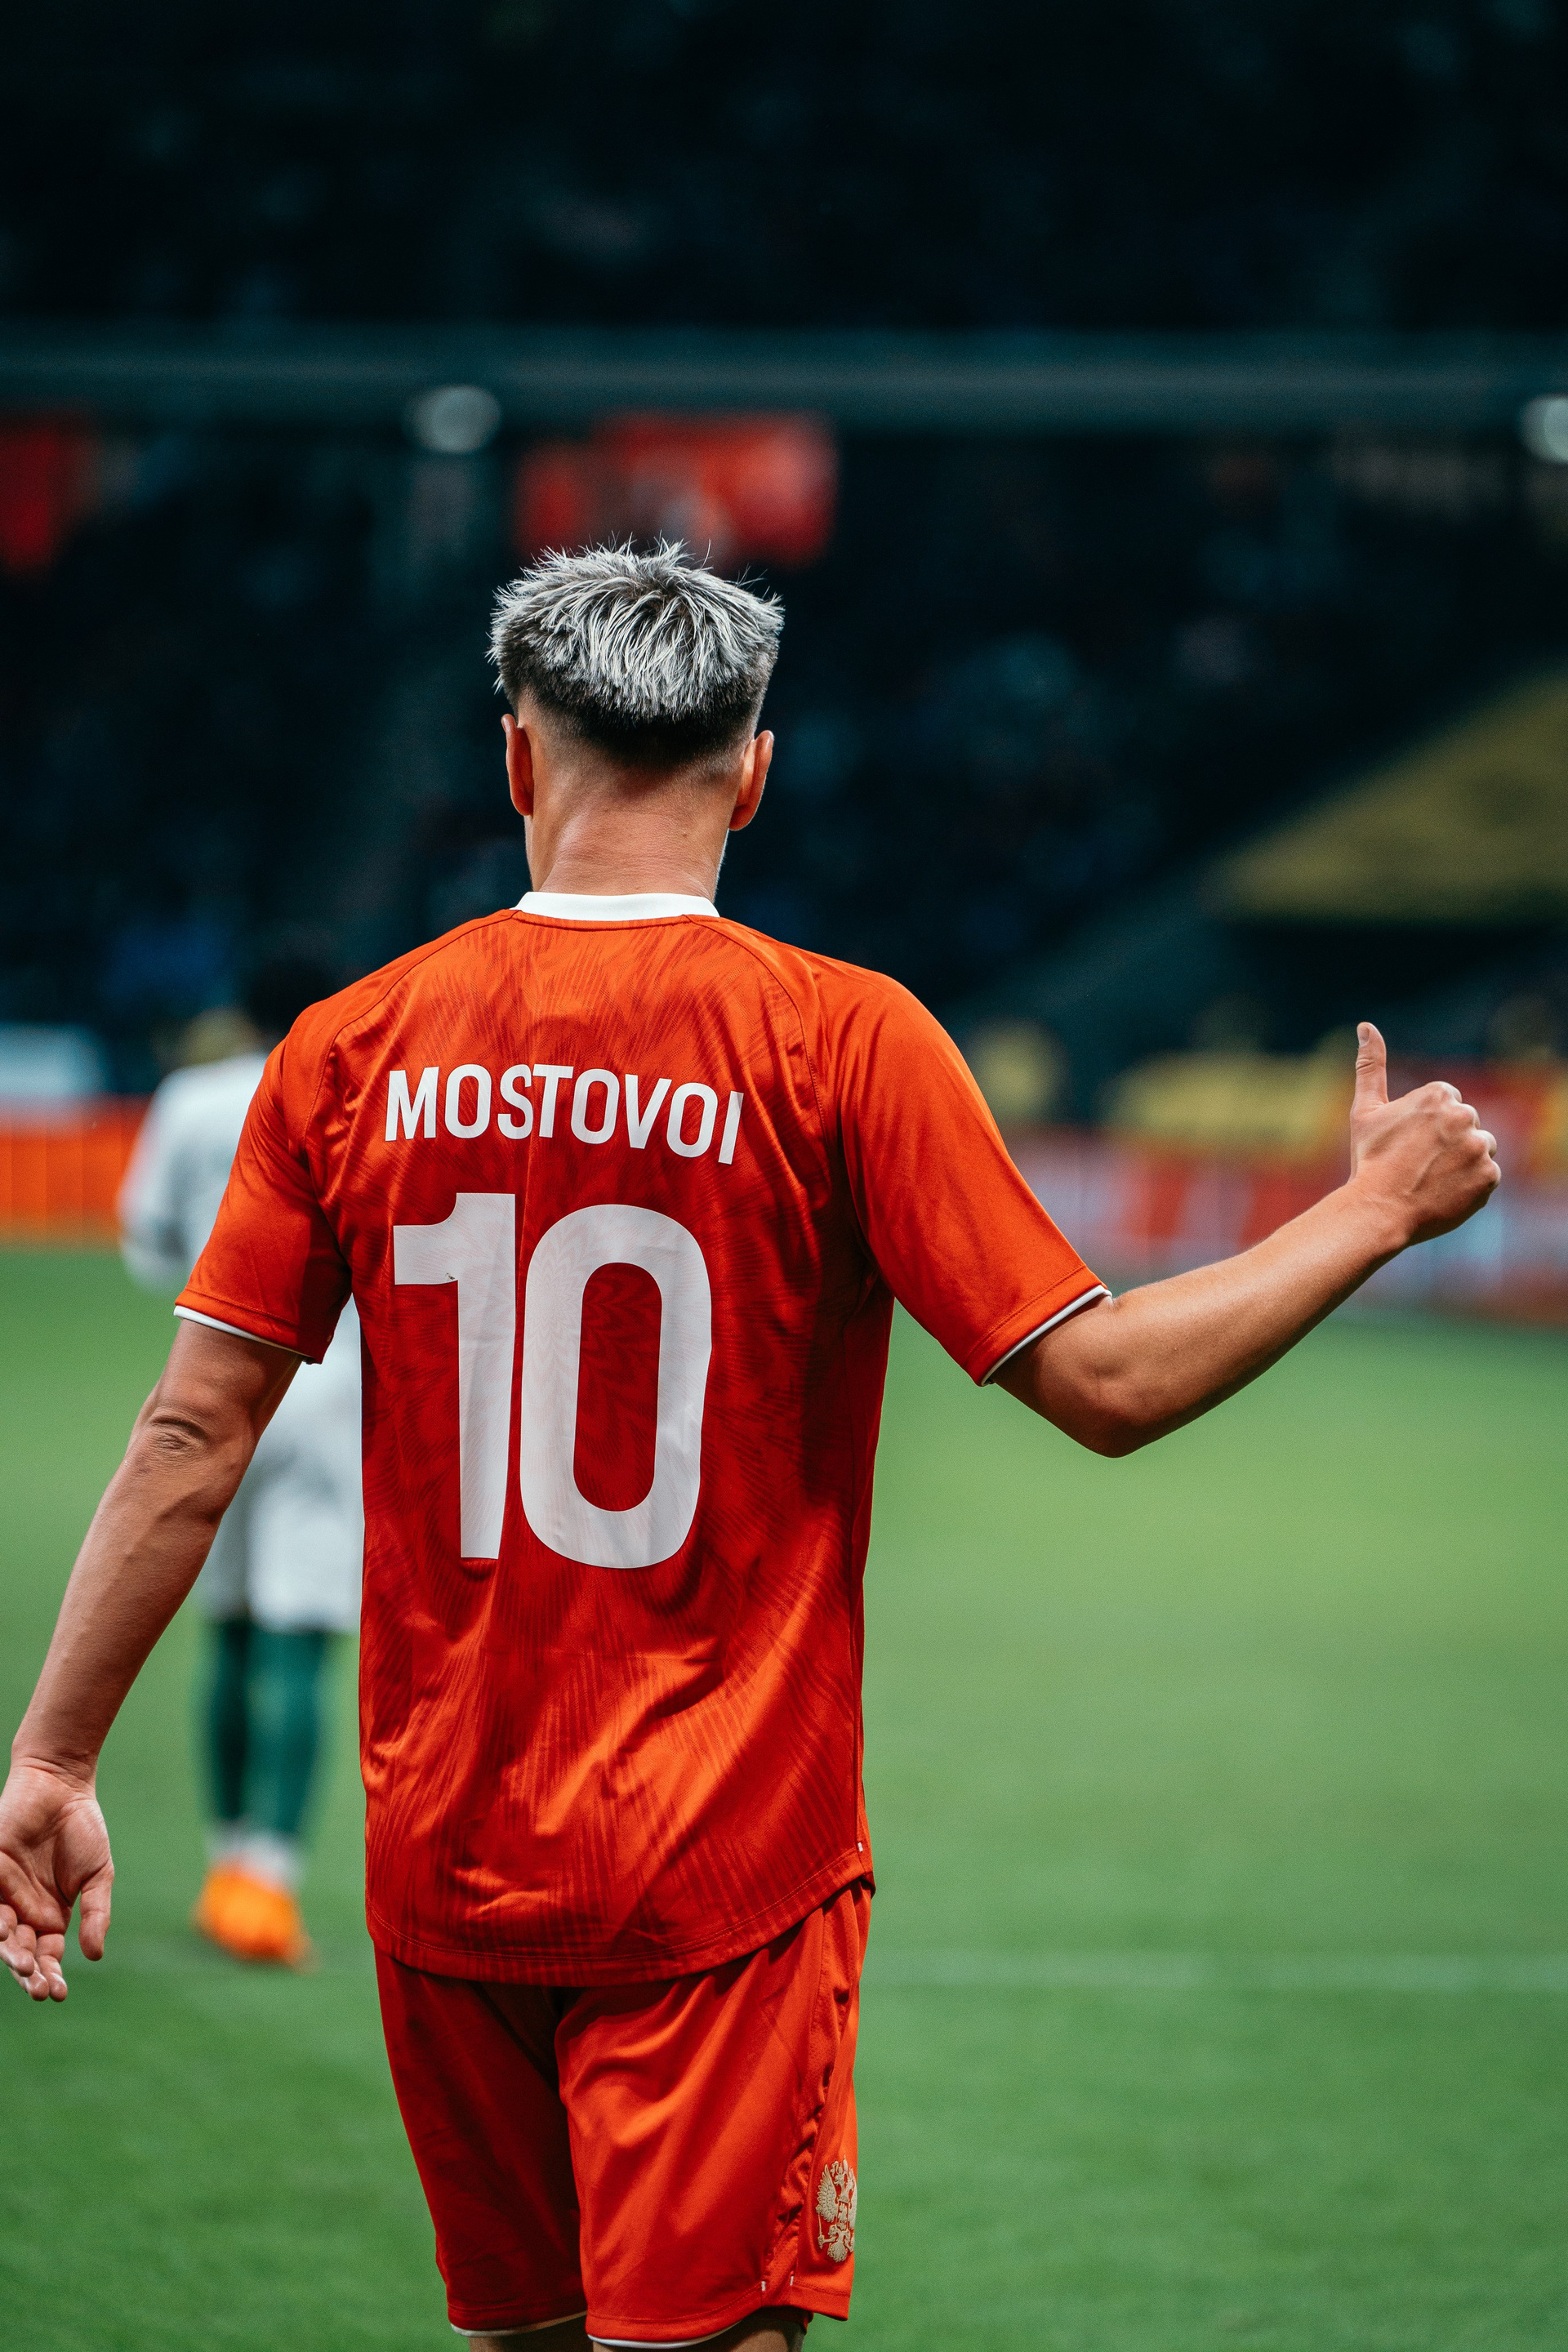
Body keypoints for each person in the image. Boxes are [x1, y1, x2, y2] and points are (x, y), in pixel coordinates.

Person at [0, 544, 1498, 2352]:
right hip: (719, 1874)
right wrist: (1372, 1212)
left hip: (447, 1865)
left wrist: (55, 1754)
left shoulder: (348, 1050)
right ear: (758, 773)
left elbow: (194, 1426)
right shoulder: (846, 1040)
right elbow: (1104, 1383)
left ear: (514, 758)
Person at [117, 943, 363, 1969]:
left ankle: (222, 1865)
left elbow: (144, 1241)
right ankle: (267, 1882)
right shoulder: (363, 1088)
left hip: (211, 1375)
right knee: (300, 1636)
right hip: (331, 1384)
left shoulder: (192, 1099)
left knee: (227, 1623)